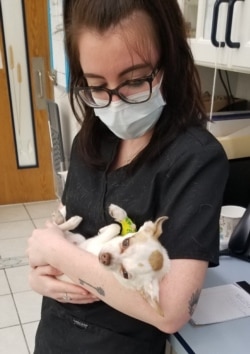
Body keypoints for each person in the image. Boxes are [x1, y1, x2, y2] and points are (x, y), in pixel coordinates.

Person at [27, 0, 229, 353]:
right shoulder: (89, 141)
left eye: (135, 80)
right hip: (54, 338)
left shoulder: (195, 159)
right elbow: (64, 230)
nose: (116, 102)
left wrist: (59, 255)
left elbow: (171, 310)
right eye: (96, 86)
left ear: (169, 61)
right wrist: (42, 272)